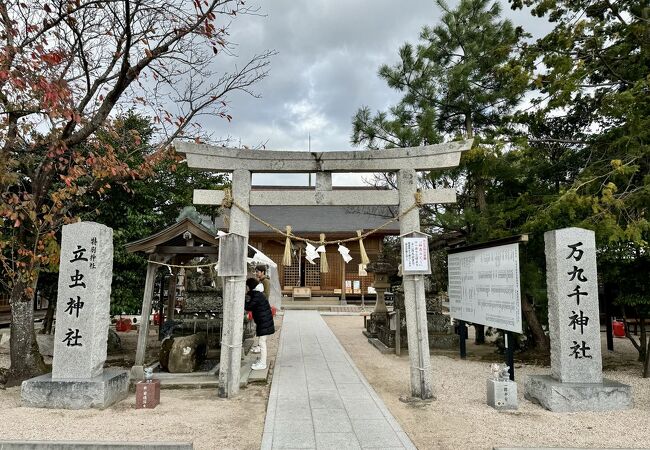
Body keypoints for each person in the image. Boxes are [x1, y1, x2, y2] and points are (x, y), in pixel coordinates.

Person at [245, 277, 275, 370]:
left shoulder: (257, 295)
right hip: (264, 320)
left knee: (262, 343)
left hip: (264, 321)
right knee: (262, 342)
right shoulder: (257, 294)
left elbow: (249, 307)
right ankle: (262, 361)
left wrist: (244, 300)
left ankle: (263, 363)